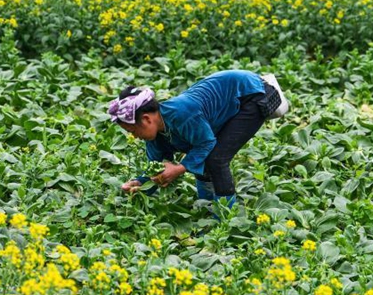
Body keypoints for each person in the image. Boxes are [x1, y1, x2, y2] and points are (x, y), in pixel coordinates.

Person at [107, 69, 287, 209]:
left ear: (146, 119)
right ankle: (206, 207)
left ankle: (225, 218)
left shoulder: (182, 113)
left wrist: (180, 168)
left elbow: (207, 143)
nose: (133, 136)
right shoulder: (155, 137)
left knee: (216, 158)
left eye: (132, 130)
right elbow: (156, 168)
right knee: (201, 155)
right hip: (232, 101)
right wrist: (140, 183)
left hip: (252, 94)